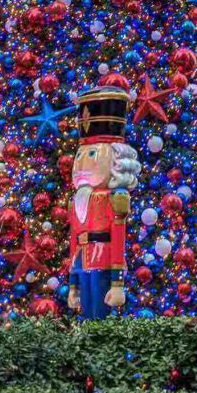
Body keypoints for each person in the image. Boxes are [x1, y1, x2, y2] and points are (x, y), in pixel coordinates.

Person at [68, 88, 140, 319]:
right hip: (82, 262)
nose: (80, 166)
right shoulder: (79, 200)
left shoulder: (114, 197)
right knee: (86, 315)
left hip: (103, 259)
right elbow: (73, 239)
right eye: (79, 156)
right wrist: (73, 285)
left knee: (99, 315)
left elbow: (117, 236)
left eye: (91, 156)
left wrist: (118, 283)